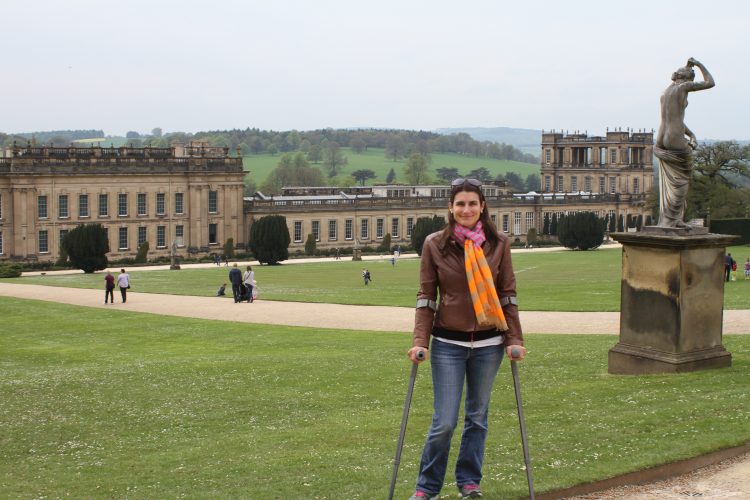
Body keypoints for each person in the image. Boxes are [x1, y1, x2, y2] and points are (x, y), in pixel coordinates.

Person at [408, 178, 525, 500]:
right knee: (444, 422)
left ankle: (469, 483)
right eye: (460, 203)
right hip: (448, 343)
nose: (466, 209)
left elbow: (507, 295)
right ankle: (426, 488)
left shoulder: (498, 243)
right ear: (450, 207)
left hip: (489, 344)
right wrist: (421, 341)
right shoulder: (435, 244)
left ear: (482, 206)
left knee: (477, 418)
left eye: (472, 203)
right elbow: (426, 297)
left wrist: (514, 338)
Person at [655, 58, 714, 228]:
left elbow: (673, 119)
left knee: (673, 180)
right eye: (691, 78)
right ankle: (674, 220)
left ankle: (670, 219)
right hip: (675, 137)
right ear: (687, 79)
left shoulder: (666, 92)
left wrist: (691, 133)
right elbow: (710, 82)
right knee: (682, 179)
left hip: (662, 138)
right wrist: (699, 63)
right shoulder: (683, 87)